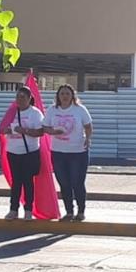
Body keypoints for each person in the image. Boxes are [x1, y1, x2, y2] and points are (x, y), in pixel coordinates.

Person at [43, 84, 93, 221]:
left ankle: (81, 211)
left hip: (78, 152)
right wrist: (53, 131)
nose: (64, 96)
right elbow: (45, 127)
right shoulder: (52, 110)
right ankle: (69, 211)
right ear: (58, 96)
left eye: (67, 94)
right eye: (62, 94)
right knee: (64, 183)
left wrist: (88, 139)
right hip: (58, 152)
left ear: (72, 96)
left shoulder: (79, 110)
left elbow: (88, 126)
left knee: (77, 182)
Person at [0, 87, 45, 220]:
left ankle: (28, 209)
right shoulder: (12, 112)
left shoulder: (35, 113)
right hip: (13, 151)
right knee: (16, 182)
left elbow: (40, 132)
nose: (19, 100)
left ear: (29, 98)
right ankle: (13, 209)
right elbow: (1, 128)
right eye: (17, 97)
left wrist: (23, 130)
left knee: (28, 181)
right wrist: (7, 130)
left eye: (22, 97)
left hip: (29, 152)